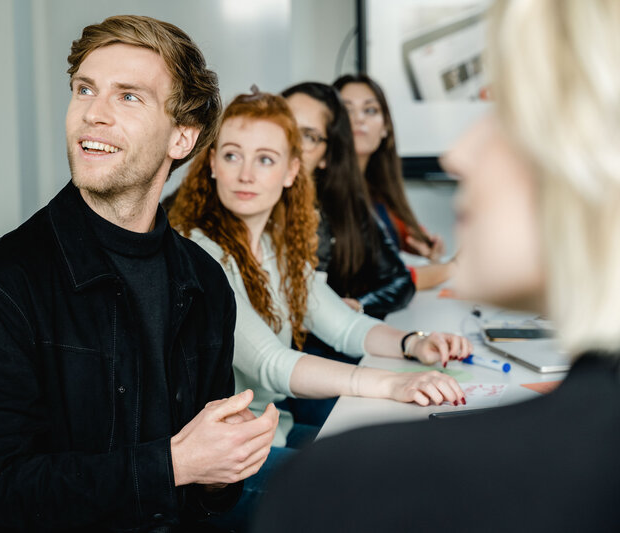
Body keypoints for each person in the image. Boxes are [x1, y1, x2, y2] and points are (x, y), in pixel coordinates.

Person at [254, 1, 620, 531]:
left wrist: (402, 349)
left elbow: (353, 304)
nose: (457, 154)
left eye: (506, 111)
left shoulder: (343, 490)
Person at [0, 15, 279, 532]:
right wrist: (175, 464)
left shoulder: (204, 282)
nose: (92, 114)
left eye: (128, 97)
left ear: (182, 138)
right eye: (84, 90)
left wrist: (221, 468)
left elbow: (206, 494)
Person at [169, 89, 473, 529]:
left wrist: (415, 343)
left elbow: (345, 326)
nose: (246, 174)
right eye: (233, 155)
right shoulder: (199, 252)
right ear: (211, 162)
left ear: (292, 171)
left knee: (403, 462)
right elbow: (273, 364)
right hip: (223, 471)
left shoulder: (276, 245)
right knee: (376, 497)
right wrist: (391, 386)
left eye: (266, 159)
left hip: (273, 434)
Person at [282, 81, 415, 320]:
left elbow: (400, 280)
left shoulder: (343, 205)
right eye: (284, 127)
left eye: (308, 136)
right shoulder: (245, 205)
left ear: (326, 157)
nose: (290, 144)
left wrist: (358, 305)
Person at [333, 73, 456, 290]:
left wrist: (426, 248)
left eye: (370, 110)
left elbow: (411, 235)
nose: (358, 119)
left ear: (385, 128)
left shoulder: (378, 192)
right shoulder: (325, 195)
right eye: (346, 110)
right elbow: (386, 280)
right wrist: (454, 266)